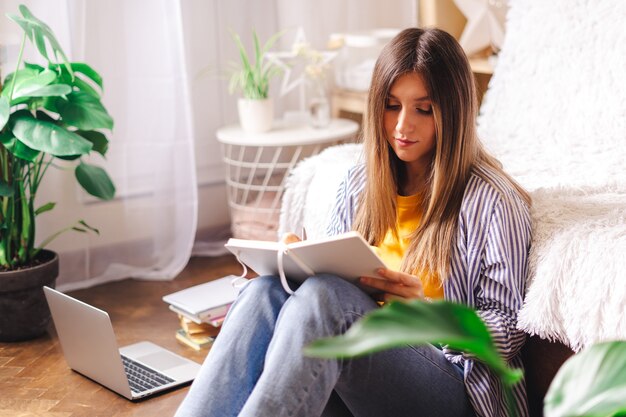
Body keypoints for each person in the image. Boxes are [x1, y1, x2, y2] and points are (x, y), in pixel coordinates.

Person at [175, 27, 531, 417]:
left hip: (450, 387)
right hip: (360, 374)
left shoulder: (494, 200)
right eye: (392, 106)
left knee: (328, 298)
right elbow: (328, 288)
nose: (402, 126)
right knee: (266, 291)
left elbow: (509, 331)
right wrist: (295, 265)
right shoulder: (360, 182)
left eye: (423, 109)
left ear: (455, 112)